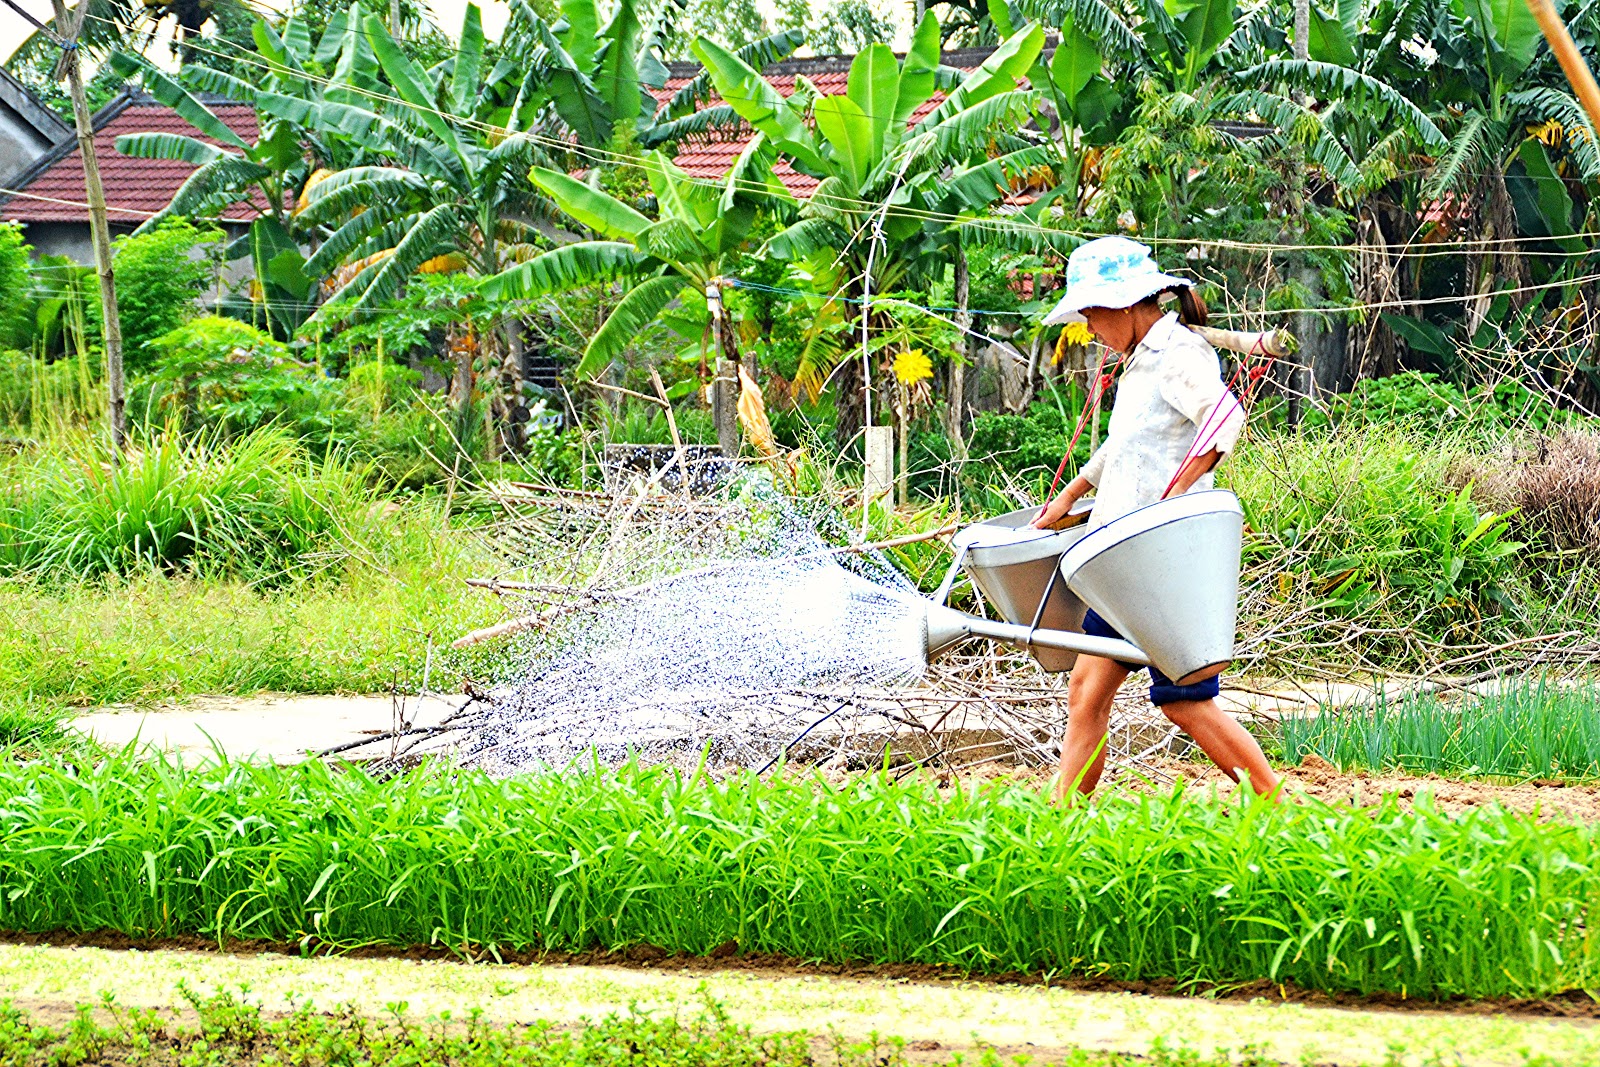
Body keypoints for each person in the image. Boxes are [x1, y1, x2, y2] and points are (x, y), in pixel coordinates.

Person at [1031, 236, 1281, 801]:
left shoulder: (1179, 355)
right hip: (1123, 561)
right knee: (1087, 690)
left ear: (1122, 306)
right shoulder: (1139, 362)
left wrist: (1176, 494)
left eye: (1092, 314)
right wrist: (1067, 499)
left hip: (1164, 560)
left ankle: (1278, 804)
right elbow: (1123, 448)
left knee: (1186, 704)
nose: (1090, 329)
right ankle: (1059, 818)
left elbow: (1224, 422)